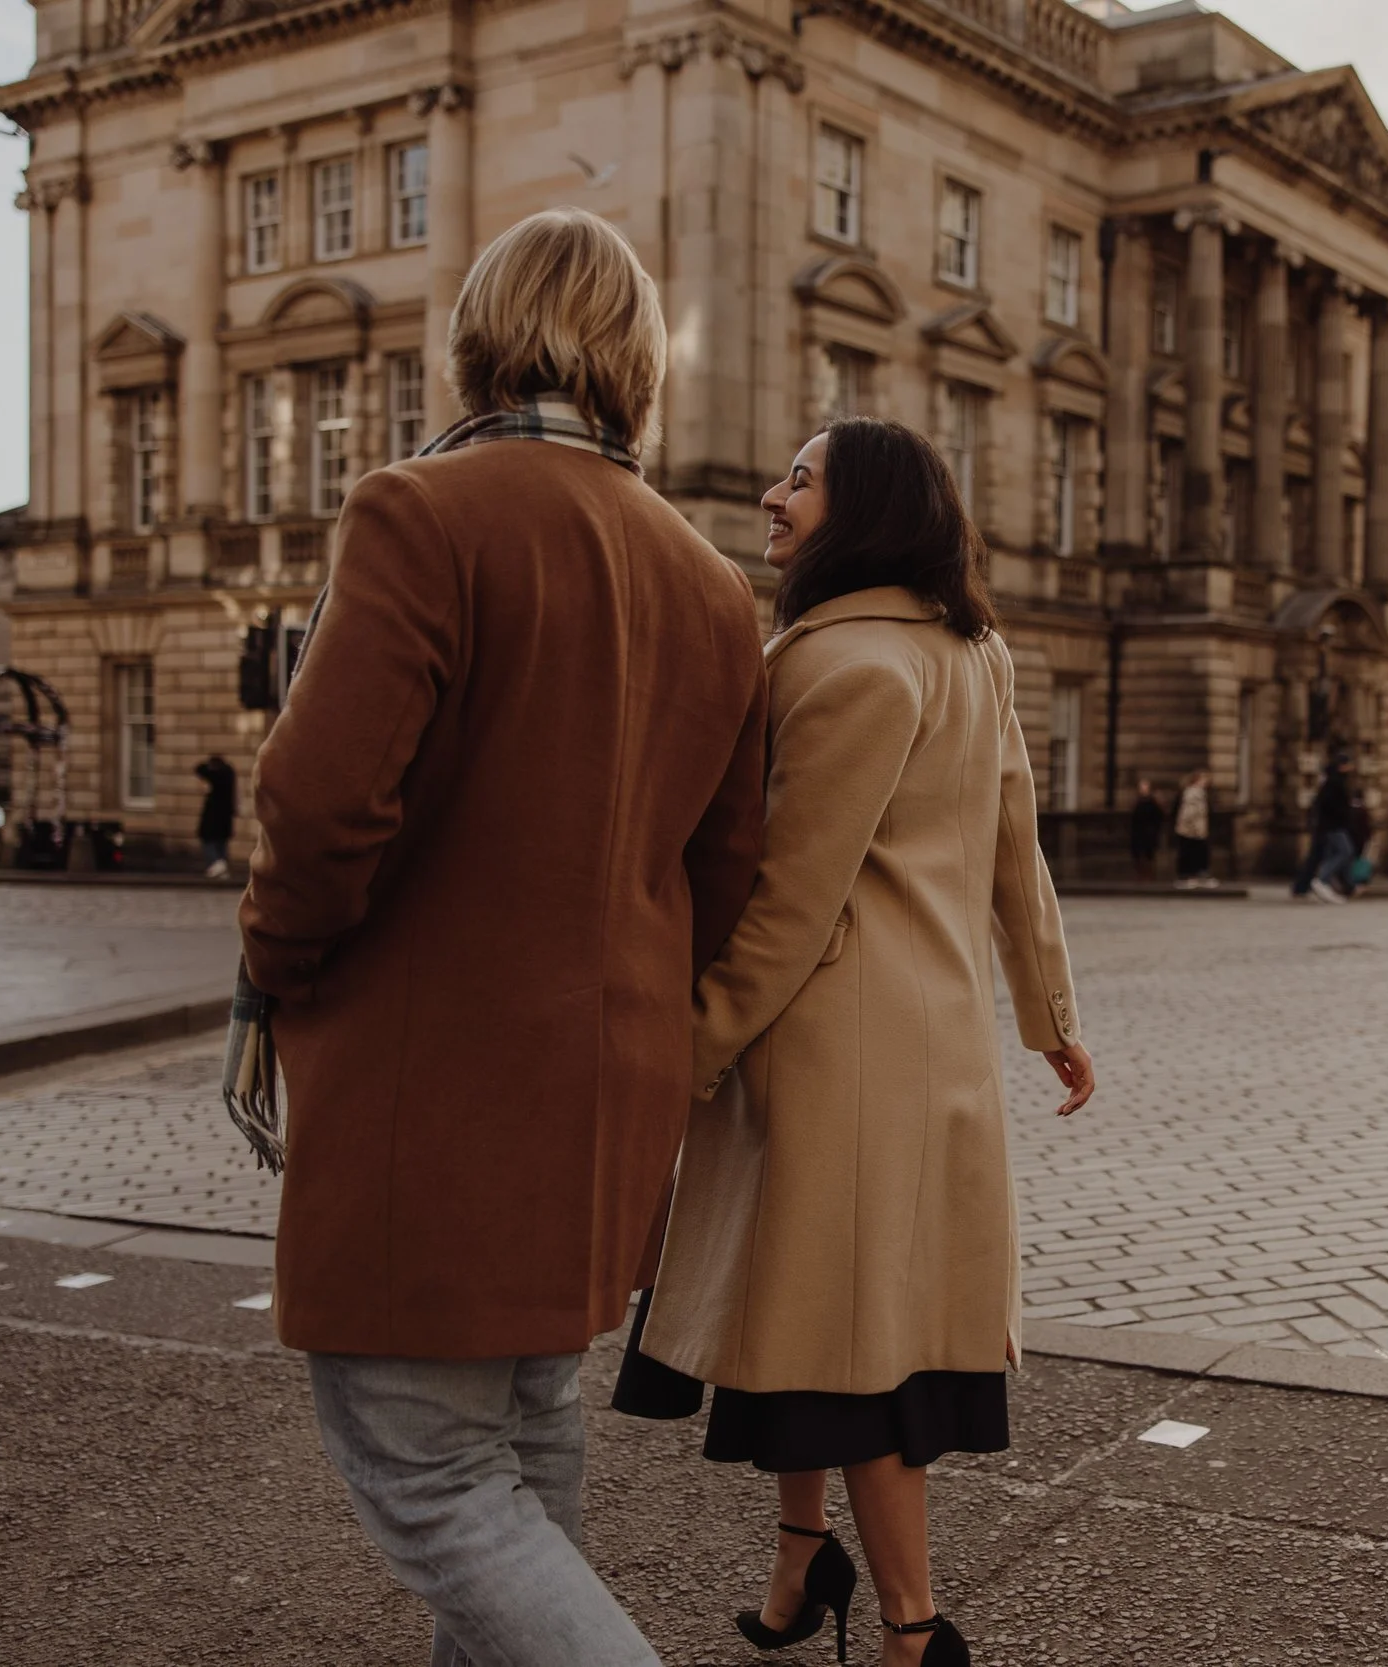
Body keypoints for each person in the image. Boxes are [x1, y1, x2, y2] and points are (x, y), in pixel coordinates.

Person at [238, 208, 769, 1667]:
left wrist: (274, 968)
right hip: (605, 1105)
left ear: (478, 334)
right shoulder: (714, 584)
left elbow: (318, 803)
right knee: (526, 1453)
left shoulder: (423, 511)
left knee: (433, 1478)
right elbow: (724, 874)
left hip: (438, 1093)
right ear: (636, 361)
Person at [619, 417, 1096, 1667]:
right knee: (804, 1319)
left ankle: (914, 1627)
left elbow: (792, 896)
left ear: (867, 507)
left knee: (856, 1350)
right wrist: (1050, 1015)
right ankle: (800, 1558)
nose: (772, 496)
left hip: (829, 1048)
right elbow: (1016, 850)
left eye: (801, 478)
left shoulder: (844, 666)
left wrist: (693, 1046)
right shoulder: (972, 650)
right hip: (929, 1041)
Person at [1291, 759, 1358, 903]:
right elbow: (1332, 807)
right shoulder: (1334, 785)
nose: (1350, 769)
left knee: (1325, 855)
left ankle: (1343, 885)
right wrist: (1345, 814)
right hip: (1333, 827)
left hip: (1329, 827)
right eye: (1346, 765)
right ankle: (1322, 880)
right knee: (1344, 852)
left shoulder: (1331, 784)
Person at [194, 754, 237, 879]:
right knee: (222, 843)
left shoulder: (215, 777)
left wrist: (209, 766)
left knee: (208, 841)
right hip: (225, 817)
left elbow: (199, 768)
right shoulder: (229, 775)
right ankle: (223, 867)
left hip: (212, 817)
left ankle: (216, 864)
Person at [1172, 768, 1215, 889]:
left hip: (1194, 829)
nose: (1206, 782)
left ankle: (1195, 876)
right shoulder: (1193, 793)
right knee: (1192, 854)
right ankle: (1189, 877)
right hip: (1192, 830)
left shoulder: (1197, 793)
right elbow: (1189, 814)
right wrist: (1195, 829)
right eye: (1204, 779)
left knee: (1195, 854)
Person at [1128, 777, 1166, 882]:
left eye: (1145, 787)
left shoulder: (1154, 801)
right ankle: (1139, 874)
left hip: (1150, 831)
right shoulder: (1137, 801)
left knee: (1149, 853)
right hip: (1138, 831)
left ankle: (1149, 874)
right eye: (1141, 787)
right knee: (1137, 854)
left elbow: (1159, 816)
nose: (1143, 789)